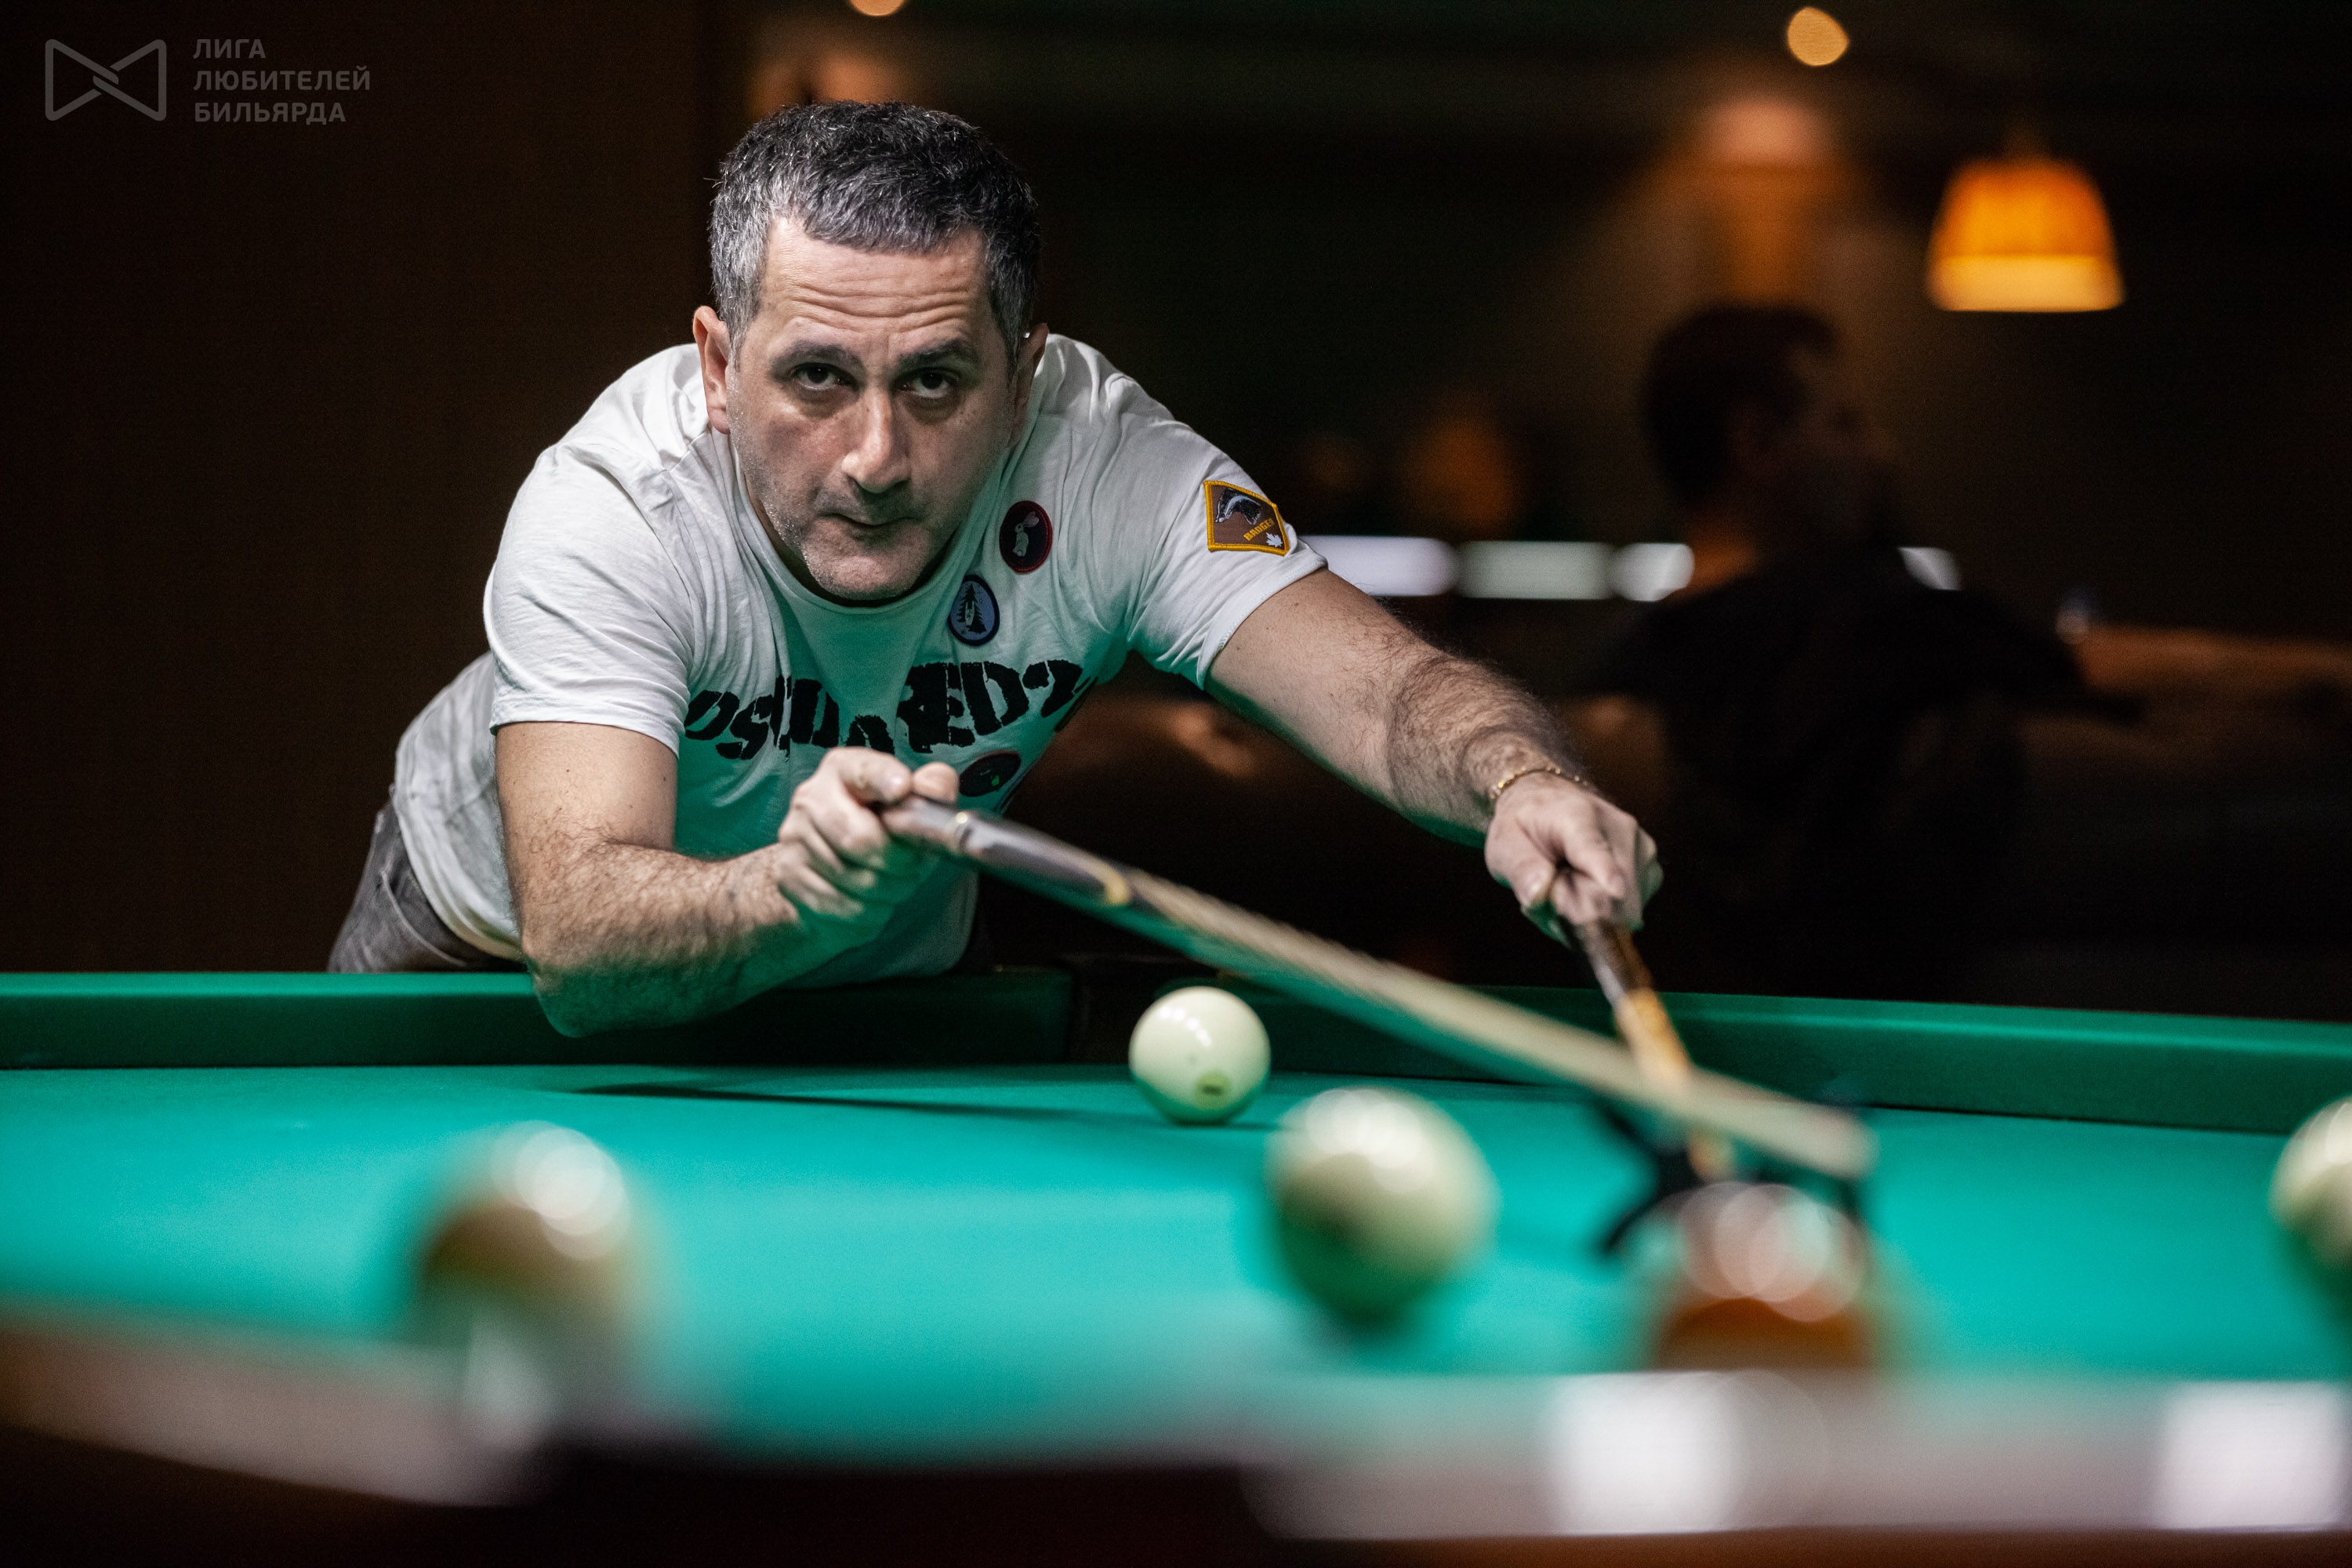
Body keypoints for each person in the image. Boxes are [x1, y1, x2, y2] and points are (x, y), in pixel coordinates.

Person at [331, 101, 1657, 1035]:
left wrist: (1520, 778)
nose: (874, 457)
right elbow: (580, 941)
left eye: (936, 382)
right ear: (720, 369)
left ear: (1023, 382)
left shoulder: (1110, 467)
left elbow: (1387, 692)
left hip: (875, 967)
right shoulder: (618, 503)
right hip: (488, 938)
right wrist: (794, 891)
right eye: (815, 378)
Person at [1581, 305, 2082, 1000]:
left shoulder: (1606, 683)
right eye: (1845, 423)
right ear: (1757, 442)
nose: (1882, 452)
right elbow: (2073, 667)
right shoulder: (1877, 627)